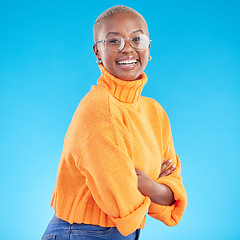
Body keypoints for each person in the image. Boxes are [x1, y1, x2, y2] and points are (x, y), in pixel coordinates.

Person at [42, 5, 187, 240]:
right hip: (81, 232)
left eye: (136, 39)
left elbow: (174, 189)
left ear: (149, 46)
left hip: (123, 233)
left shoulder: (155, 112)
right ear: (97, 52)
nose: (127, 49)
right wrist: (153, 187)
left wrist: (147, 185)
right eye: (113, 41)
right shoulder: (98, 108)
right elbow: (123, 203)